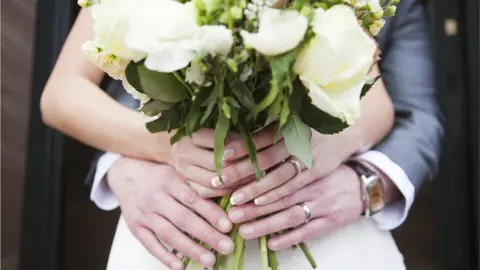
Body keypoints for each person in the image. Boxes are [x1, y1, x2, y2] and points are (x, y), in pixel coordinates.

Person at [40, 0, 443, 269]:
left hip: (314, 216)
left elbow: (383, 103)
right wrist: (158, 148)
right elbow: (63, 93)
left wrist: (333, 155)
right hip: (178, 217)